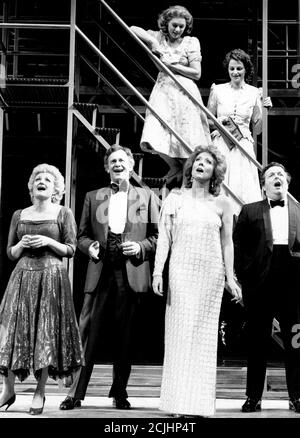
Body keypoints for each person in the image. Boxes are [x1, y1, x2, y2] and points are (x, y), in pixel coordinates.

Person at [59, 144, 159, 411]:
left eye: (122, 160)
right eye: (112, 160)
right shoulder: (93, 196)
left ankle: (120, 392)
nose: (118, 164)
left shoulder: (147, 196)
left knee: (125, 337)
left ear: (131, 164)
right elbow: (80, 236)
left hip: (131, 272)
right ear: (107, 167)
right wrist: (89, 247)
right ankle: (75, 393)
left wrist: (140, 247)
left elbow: (158, 237)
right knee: (87, 334)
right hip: (100, 271)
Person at [152, 144, 242, 417]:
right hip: (181, 272)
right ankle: (177, 402)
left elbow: (228, 244)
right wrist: (158, 272)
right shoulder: (174, 198)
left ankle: (199, 403)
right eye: (198, 160)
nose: (202, 163)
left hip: (210, 275)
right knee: (179, 334)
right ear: (191, 167)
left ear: (215, 171)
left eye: (208, 161)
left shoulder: (223, 204)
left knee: (202, 339)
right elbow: (164, 238)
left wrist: (231, 278)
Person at [0, 164, 84, 415]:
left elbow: (71, 249)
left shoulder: (63, 213)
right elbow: (10, 253)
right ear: (32, 185)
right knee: (11, 330)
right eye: (38, 177)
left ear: (56, 188)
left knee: (44, 332)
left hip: (51, 277)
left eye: (48, 179)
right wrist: (21, 245)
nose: (42, 181)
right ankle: (8, 389)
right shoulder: (19, 215)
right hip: (22, 276)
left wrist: (48, 241)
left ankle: (40, 391)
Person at [233, 162, 300, 413]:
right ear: (263, 185)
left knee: (295, 344)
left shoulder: (299, 211)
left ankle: (297, 397)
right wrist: (245, 277)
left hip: (292, 287)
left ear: (287, 182)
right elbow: (238, 246)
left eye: (281, 174)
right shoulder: (249, 211)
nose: (276, 177)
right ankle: (253, 397)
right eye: (271, 175)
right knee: (257, 344)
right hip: (259, 285)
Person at [131, 5, 211, 186]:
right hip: (164, 90)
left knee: (187, 136)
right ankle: (173, 165)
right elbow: (133, 29)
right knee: (154, 130)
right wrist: (152, 43)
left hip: (185, 91)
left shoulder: (191, 42)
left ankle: (187, 180)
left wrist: (170, 64)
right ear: (166, 24)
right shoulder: (158, 37)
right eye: (174, 25)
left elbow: (196, 73)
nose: (177, 30)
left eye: (181, 26)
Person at [207, 48, 272, 215]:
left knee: (243, 187)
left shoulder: (254, 92)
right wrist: (219, 123)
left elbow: (257, 129)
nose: (235, 72)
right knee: (221, 183)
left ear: (246, 69)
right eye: (232, 68)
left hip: (243, 144)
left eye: (239, 68)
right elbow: (206, 119)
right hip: (221, 142)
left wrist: (266, 111)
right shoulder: (218, 90)